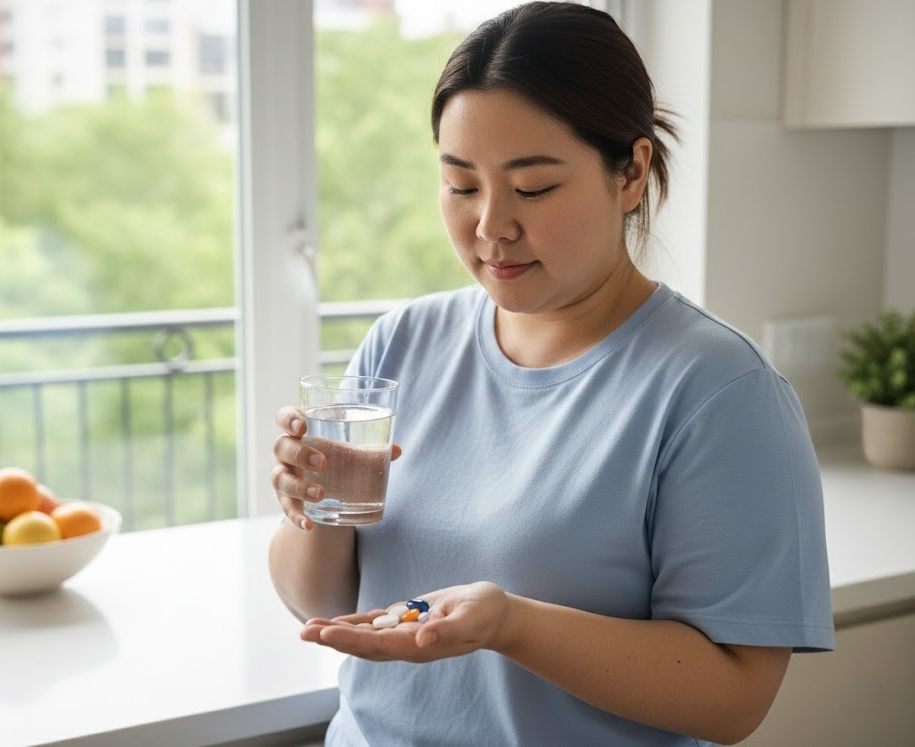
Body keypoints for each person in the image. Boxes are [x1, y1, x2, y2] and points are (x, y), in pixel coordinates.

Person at [269, 3, 834, 745]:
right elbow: (321, 598)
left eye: (532, 188)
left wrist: (513, 625)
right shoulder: (402, 343)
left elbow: (733, 698)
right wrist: (313, 507)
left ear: (630, 173)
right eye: (462, 185)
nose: (491, 225)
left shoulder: (719, 393)